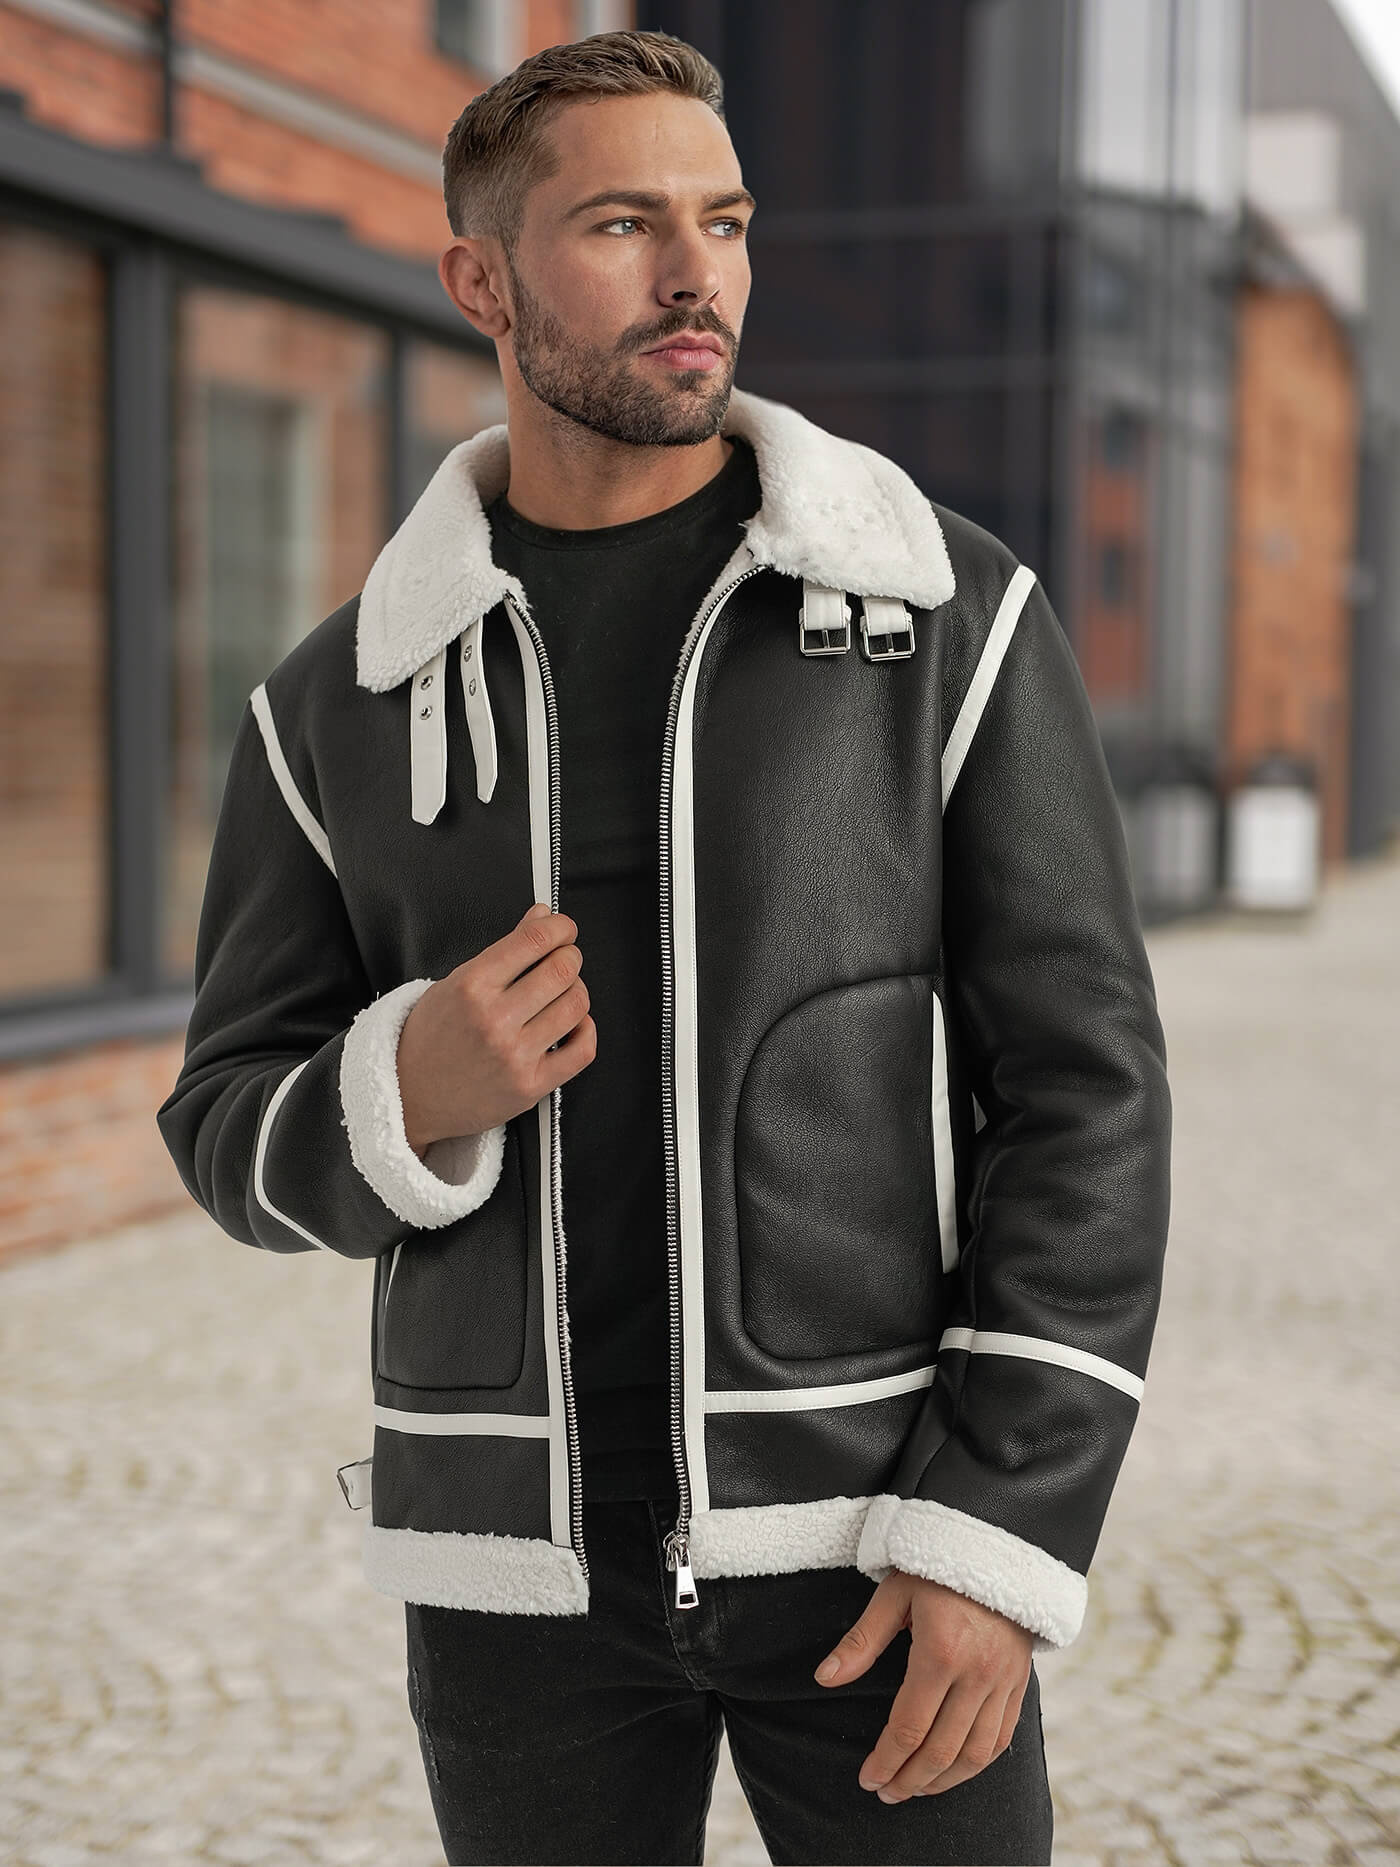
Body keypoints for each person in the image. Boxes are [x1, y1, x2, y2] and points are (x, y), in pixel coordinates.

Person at [156, 27, 1171, 1867]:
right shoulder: (339, 699)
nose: (698, 273)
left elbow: (1084, 1096)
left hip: (875, 1546)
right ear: (482, 281)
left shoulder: (940, 616)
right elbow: (224, 1124)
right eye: (623, 224)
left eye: (726, 220)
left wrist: (999, 1527)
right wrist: (406, 1092)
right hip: (509, 1580)